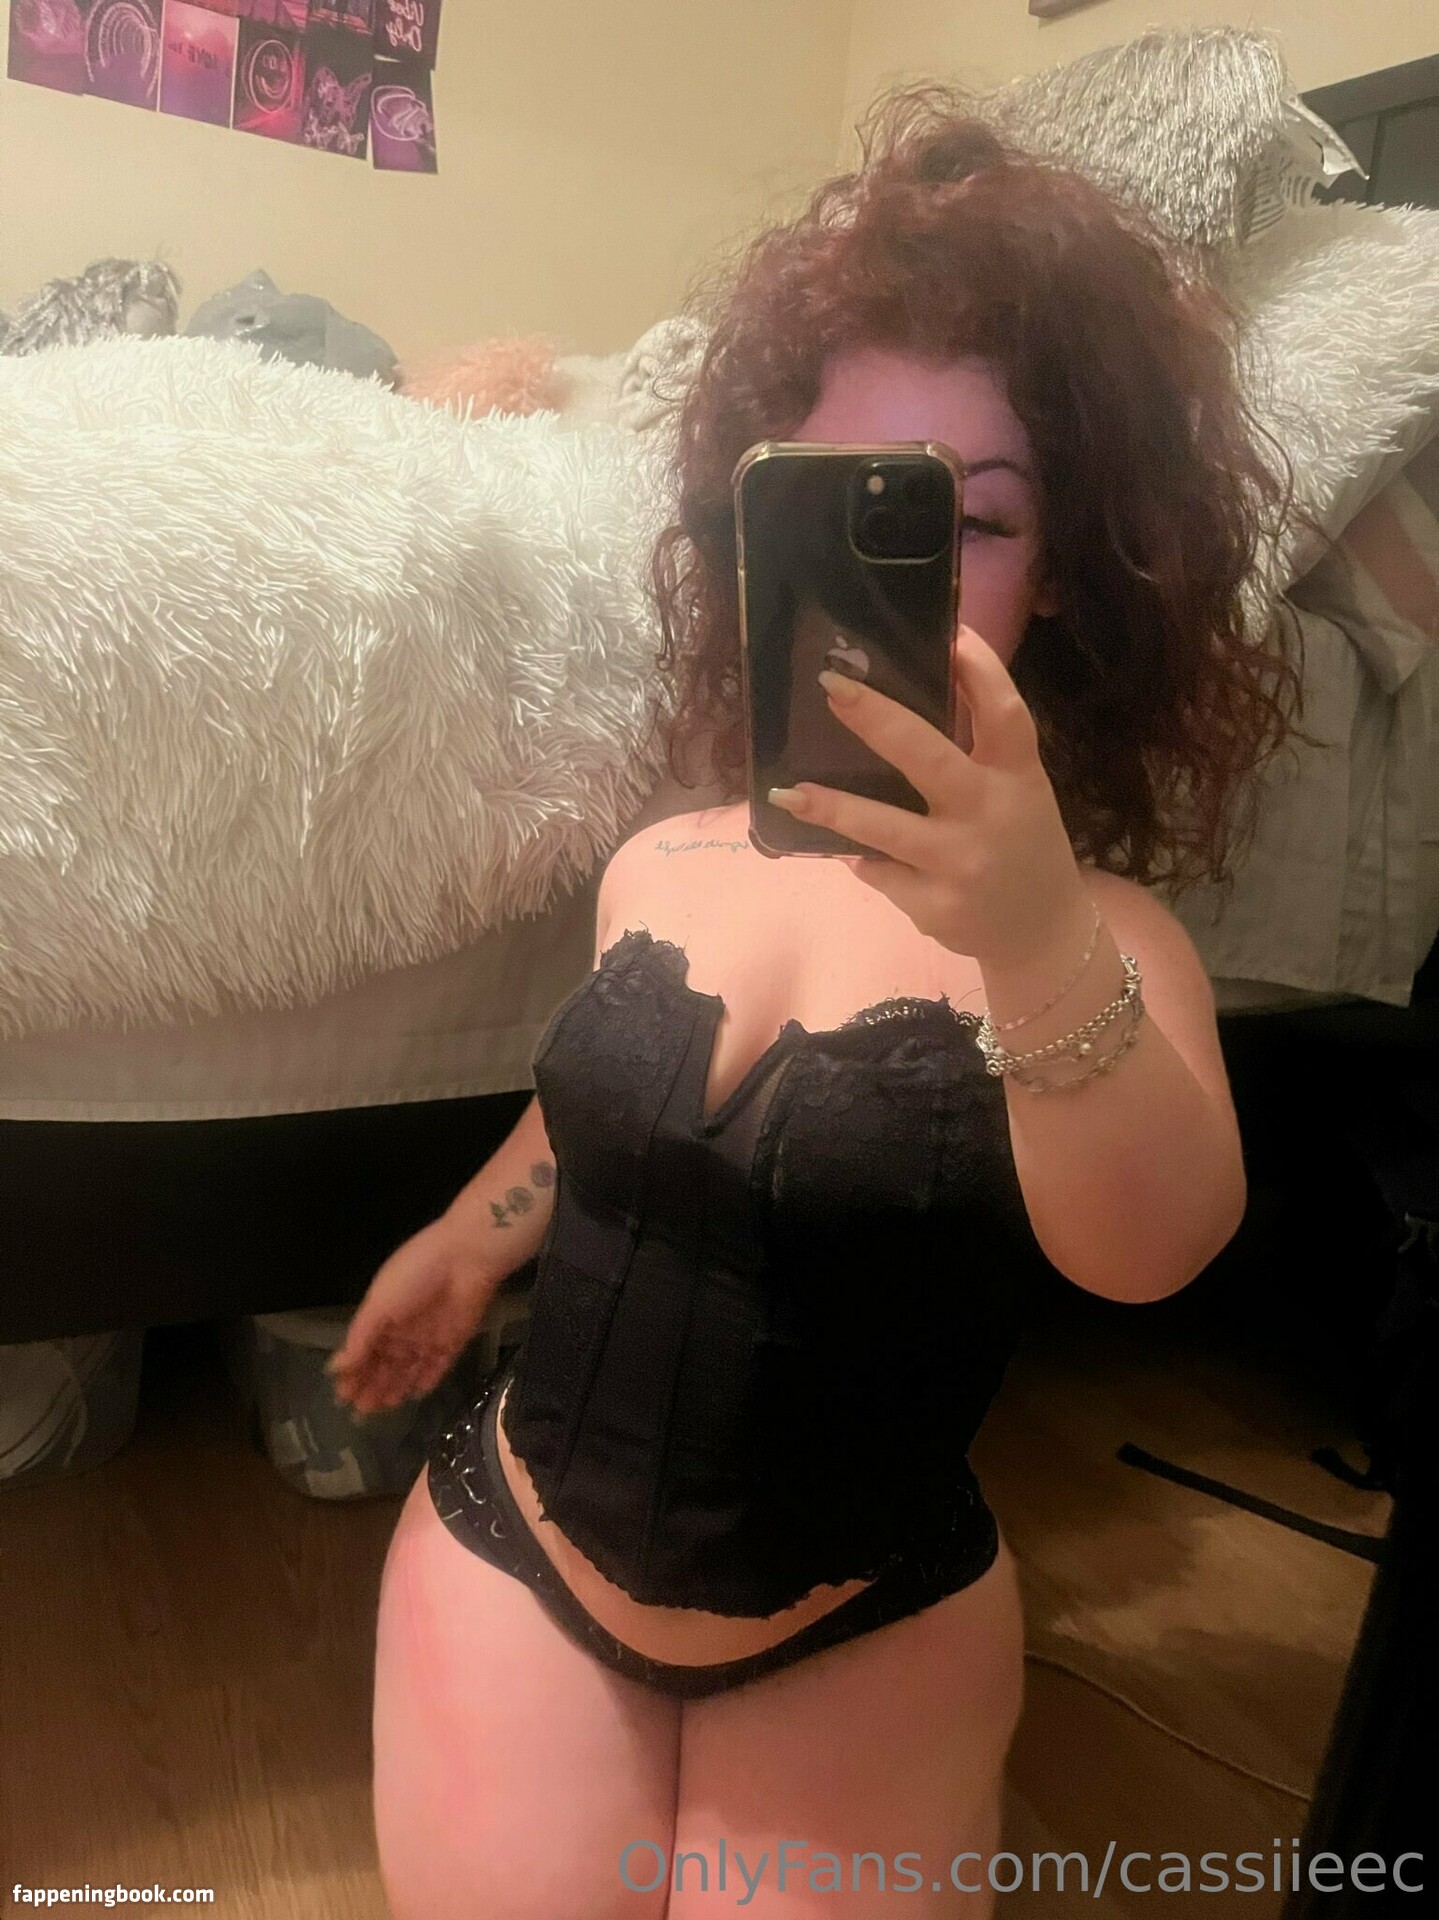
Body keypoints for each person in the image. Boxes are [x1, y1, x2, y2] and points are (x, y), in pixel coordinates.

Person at [331, 91, 1305, 1920]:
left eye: (965, 522)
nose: (883, 596)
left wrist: (1032, 938)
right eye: (828, 517)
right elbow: (605, 1104)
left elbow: (1151, 1251)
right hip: (519, 1538)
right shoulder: (663, 861)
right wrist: (466, 1242)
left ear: (1072, 570)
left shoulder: (1106, 943)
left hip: (866, 1608)